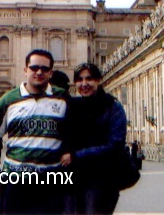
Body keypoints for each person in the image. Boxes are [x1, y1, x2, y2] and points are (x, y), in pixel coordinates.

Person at [0, 49, 70, 214]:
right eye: (34, 68)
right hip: (15, 182)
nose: (39, 72)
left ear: (51, 73)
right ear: (25, 70)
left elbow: (73, 132)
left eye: (44, 69)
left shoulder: (63, 99)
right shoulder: (8, 100)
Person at [61, 62, 127, 214]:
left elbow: (115, 145)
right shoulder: (73, 105)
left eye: (89, 79)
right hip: (73, 180)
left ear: (98, 80)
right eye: (80, 80)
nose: (84, 84)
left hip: (102, 180)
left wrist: (76, 156)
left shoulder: (113, 107)